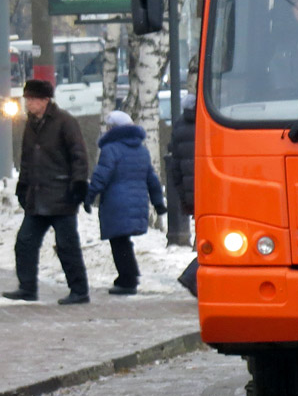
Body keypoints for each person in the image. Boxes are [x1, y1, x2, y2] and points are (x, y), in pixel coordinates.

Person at [3, 79, 90, 305]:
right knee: (25, 242)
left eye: (32, 99)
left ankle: (79, 290)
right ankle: (27, 287)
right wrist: (23, 186)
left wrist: (79, 183)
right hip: (37, 197)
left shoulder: (65, 122)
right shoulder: (31, 125)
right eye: (27, 99)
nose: (28, 104)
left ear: (44, 100)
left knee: (66, 245)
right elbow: (27, 160)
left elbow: (78, 155)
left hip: (62, 196)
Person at [84, 110, 166, 295]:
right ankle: (128, 276)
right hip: (136, 202)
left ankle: (128, 280)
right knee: (123, 241)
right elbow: (152, 179)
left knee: (118, 242)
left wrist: (89, 197)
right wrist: (158, 202)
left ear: (113, 128)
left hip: (116, 203)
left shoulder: (110, 149)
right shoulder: (141, 149)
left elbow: (101, 176)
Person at [168, 93, 198, 297]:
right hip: (212, 190)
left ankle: (193, 277)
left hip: (192, 192)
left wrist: (184, 196)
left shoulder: (179, 127)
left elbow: (175, 167)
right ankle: (191, 276)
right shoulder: (209, 122)